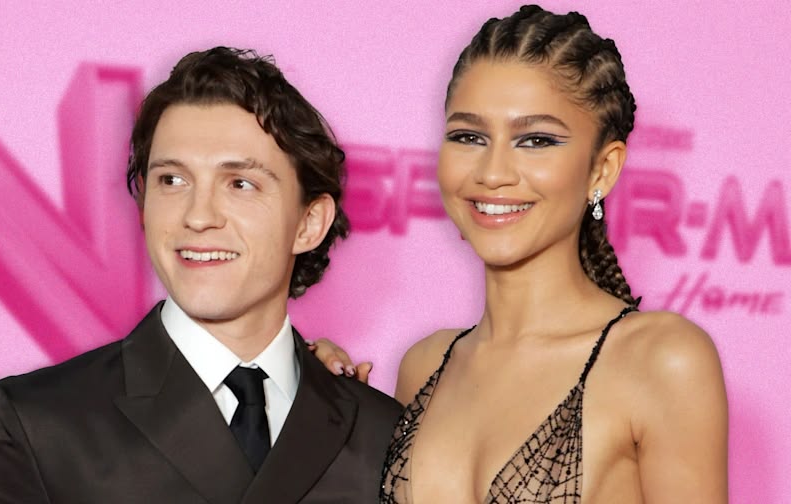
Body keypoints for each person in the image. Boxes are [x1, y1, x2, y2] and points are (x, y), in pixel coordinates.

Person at [311, 5, 728, 503]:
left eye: (535, 140)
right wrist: (312, 399)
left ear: (602, 169)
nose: (493, 173)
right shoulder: (424, 366)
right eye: (469, 137)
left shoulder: (660, 360)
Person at [0, 47, 401, 503]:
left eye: (240, 184)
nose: (198, 216)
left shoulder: (383, 434)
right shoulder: (38, 428)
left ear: (308, 223)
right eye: (172, 180)